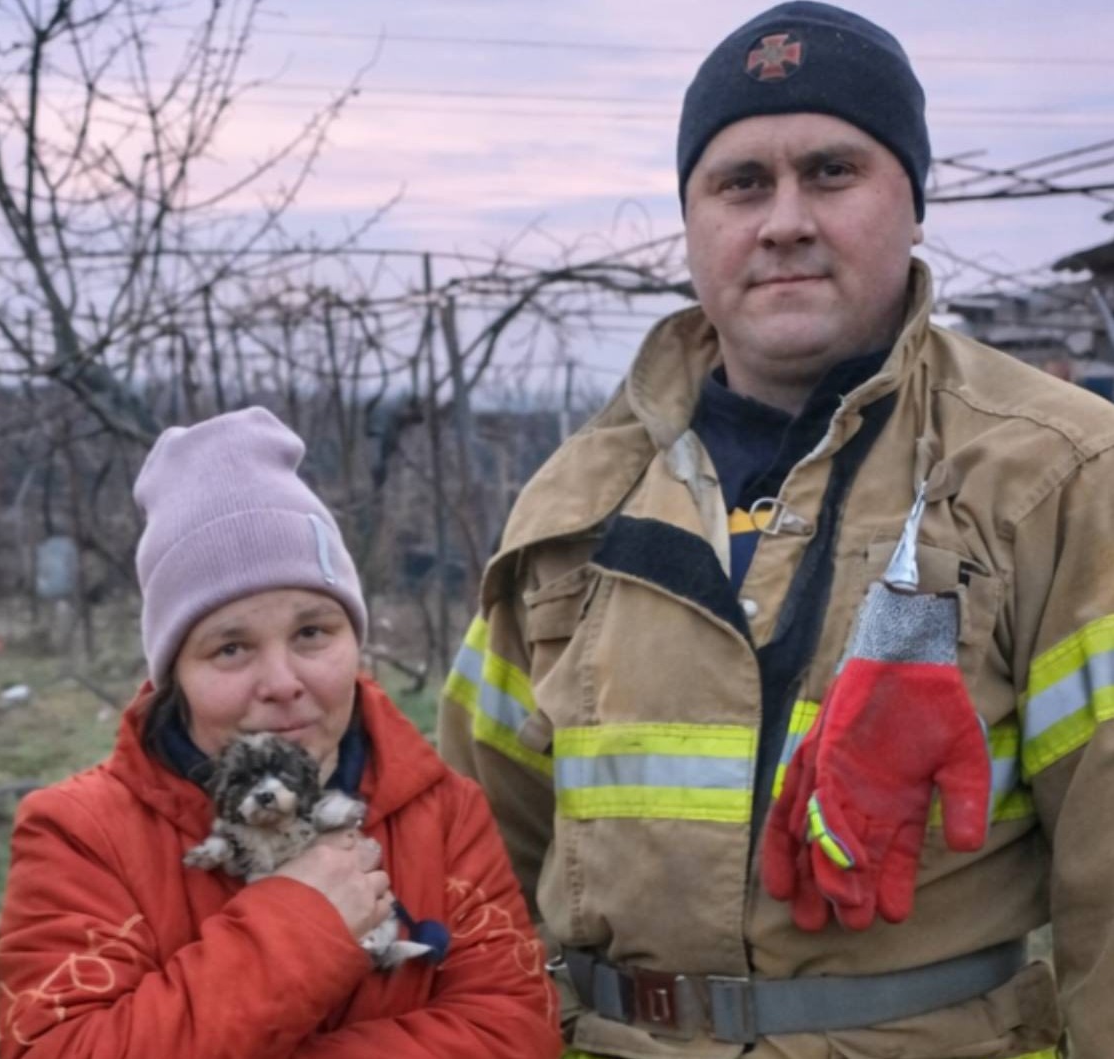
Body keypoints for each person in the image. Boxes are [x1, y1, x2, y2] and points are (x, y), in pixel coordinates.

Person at [439, 4, 1114, 1057]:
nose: (784, 220)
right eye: (741, 183)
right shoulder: (578, 501)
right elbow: (469, 861)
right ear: (691, 220)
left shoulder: (1056, 473)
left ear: (913, 203)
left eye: (832, 172)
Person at [0, 407, 561, 1058]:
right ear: (175, 672)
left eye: (312, 632)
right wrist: (303, 919)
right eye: (230, 648)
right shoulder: (81, 836)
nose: (282, 681)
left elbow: (513, 1030)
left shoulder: (442, 813)